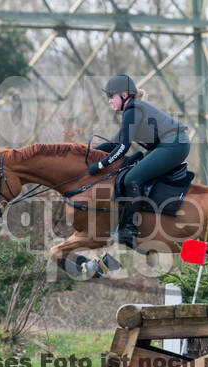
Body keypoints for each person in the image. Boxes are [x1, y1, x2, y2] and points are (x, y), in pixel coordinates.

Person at [87, 74, 191, 247]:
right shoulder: (132, 110)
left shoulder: (133, 110)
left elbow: (123, 147)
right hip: (169, 145)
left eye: (111, 97)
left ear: (124, 95)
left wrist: (100, 165)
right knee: (130, 172)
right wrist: (84, 151)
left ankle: (129, 229)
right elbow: (113, 144)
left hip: (174, 145)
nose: (109, 101)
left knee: (131, 178)